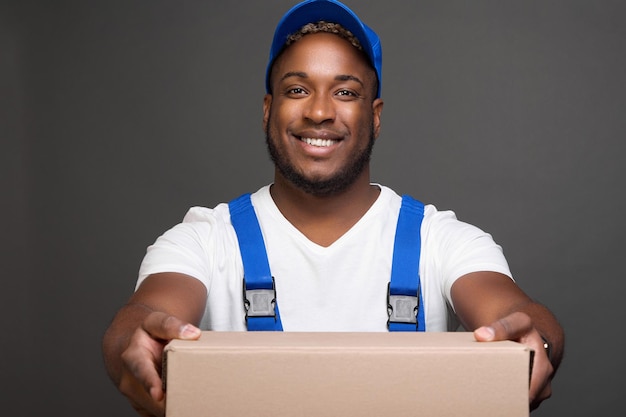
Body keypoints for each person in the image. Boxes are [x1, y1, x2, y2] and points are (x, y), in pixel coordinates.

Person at [102, 0, 564, 415]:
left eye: (344, 92)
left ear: (375, 116)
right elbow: (144, 314)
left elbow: (518, 313)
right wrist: (135, 338)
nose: (320, 112)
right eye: (298, 90)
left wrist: (534, 340)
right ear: (268, 110)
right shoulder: (205, 239)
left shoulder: (439, 240)